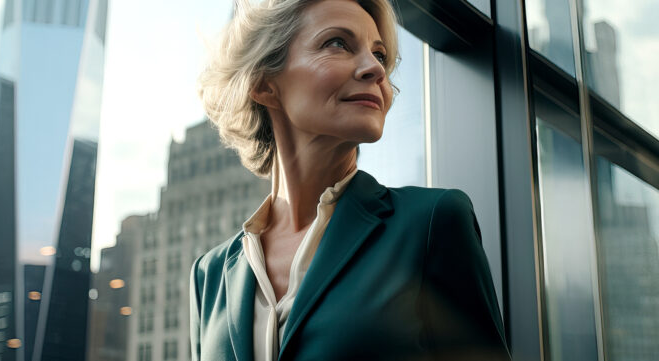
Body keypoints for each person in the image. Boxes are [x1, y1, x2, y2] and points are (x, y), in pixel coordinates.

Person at [189, 0, 510, 360]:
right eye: (338, 43)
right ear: (264, 83)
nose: (375, 68)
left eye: (379, 54)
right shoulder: (210, 275)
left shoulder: (432, 224)